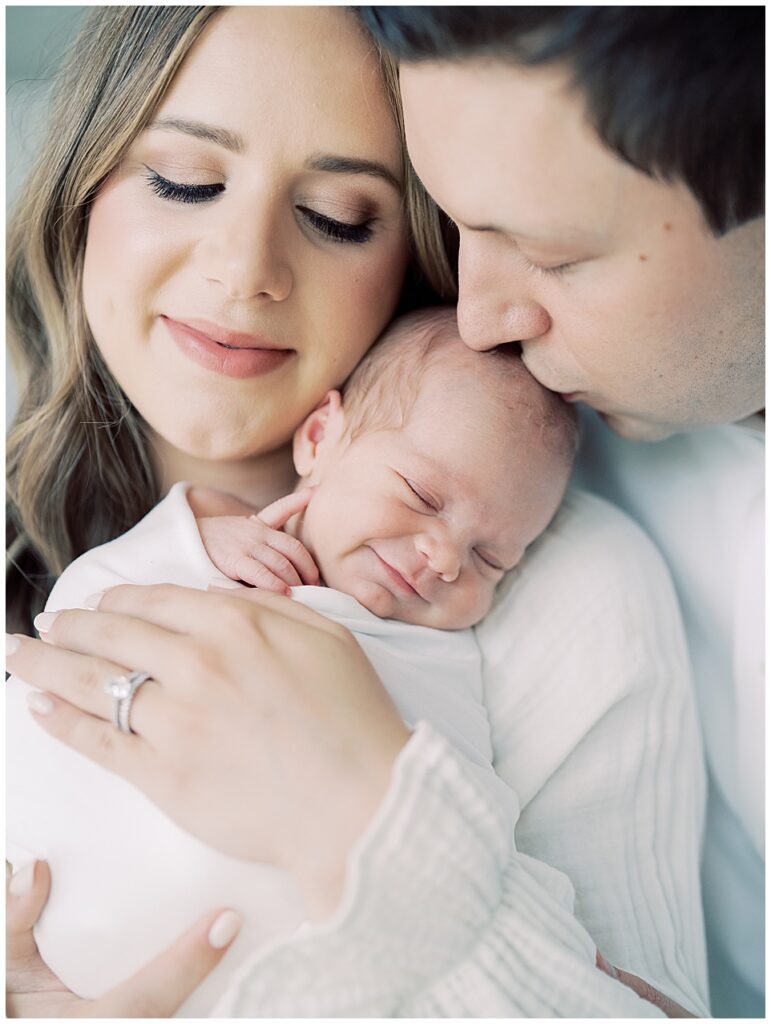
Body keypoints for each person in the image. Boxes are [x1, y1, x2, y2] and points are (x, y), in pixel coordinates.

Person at [6, 6, 707, 1018]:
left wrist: (367, 822)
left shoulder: (559, 587)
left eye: (338, 214)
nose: (245, 268)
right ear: (84, 191)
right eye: (186, 182)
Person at [359, 6, 765, 1017]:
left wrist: (353, 814)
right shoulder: (526, 430)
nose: (478, 319)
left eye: (550, 254)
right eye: (461, 228)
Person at [8, 308, 579, 1013]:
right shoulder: (214, 547)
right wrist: (197, 534)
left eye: (491, 558)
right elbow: (79, 615)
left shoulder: (444, 659)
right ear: (319, 438)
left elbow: (462, 811)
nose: (442, 557)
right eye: (421, 497)